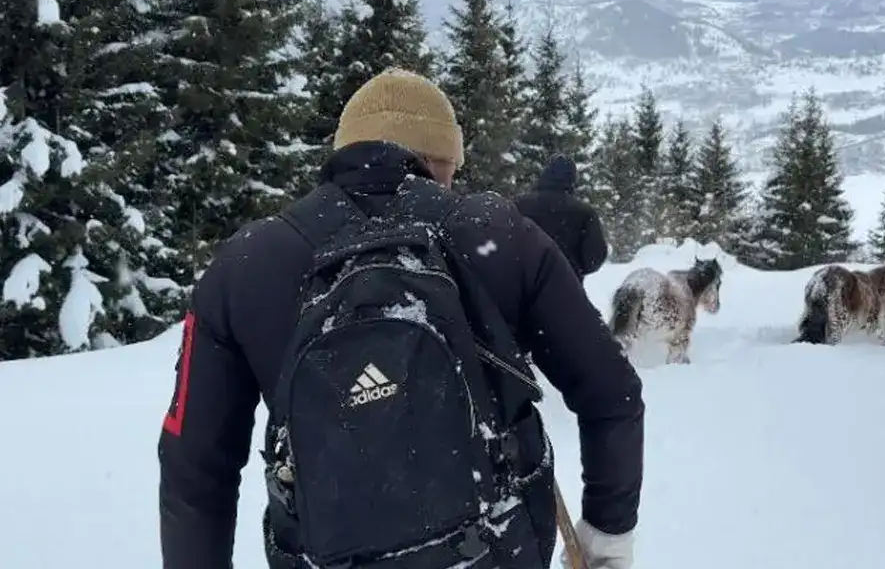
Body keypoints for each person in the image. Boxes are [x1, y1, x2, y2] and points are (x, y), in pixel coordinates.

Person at [157, 69, 643, 569]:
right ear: (442, 160)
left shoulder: (246, 266)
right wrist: (607, 536)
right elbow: (613, 393)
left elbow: (192, 465)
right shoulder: (498, 235)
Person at [514, 155, 608, 283]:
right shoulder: (584, 212)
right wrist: (574, 269)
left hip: (520, 286)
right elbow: (594, 257)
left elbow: (500, 243)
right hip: (566, 287)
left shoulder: (518, 205)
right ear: (573, 179)